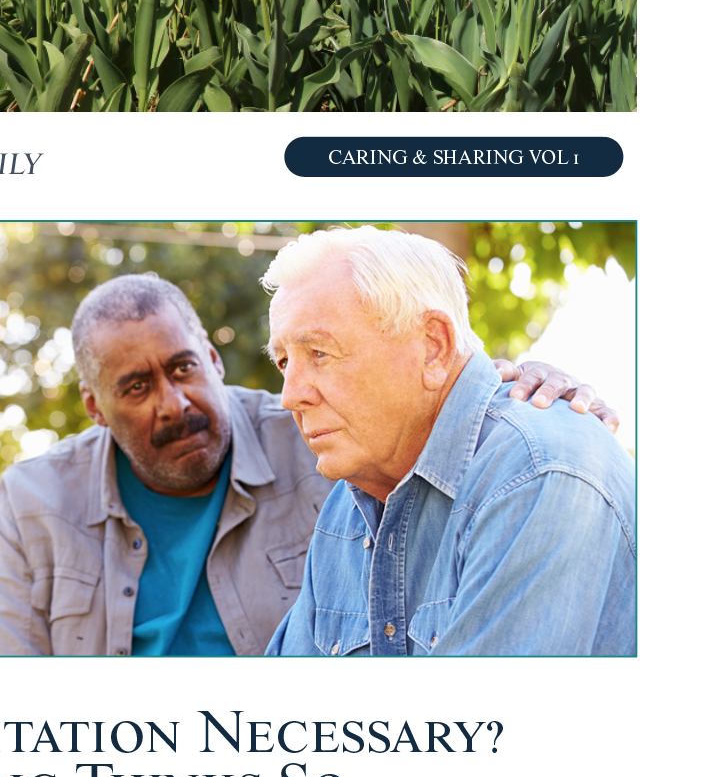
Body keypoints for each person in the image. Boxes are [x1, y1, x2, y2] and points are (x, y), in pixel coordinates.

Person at [0, 269, 617, 657]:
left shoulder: (322, 438)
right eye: (137, 388)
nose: (173, 404)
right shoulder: (34, 500)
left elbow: (431, 406)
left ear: (214, 359)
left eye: (183, 368)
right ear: (95, 407)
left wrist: (519, 385)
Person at [263, 227, 634, 657]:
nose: (291, 395)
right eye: (285, 362)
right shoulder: (347, 508)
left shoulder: (538, 473)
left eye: (320, 354)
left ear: (434, 347)